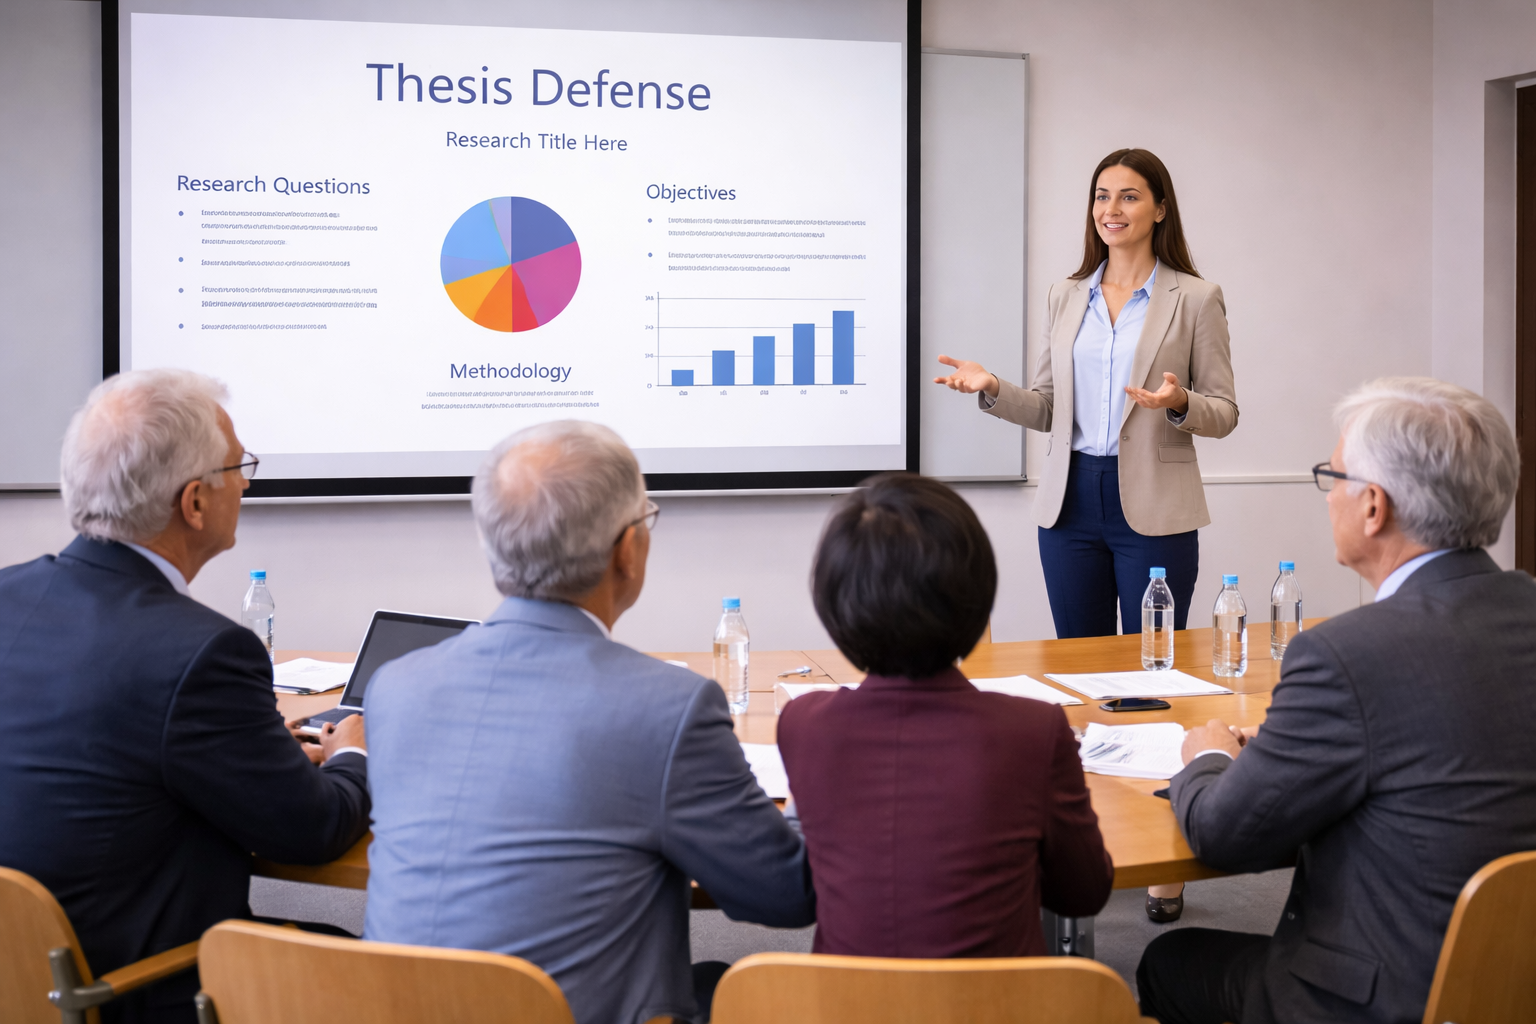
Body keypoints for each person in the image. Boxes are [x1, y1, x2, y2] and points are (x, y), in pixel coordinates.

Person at [362, 420, 815, 1024]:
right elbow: (786, 892)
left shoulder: (395, 688)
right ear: (628, 550)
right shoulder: (668, 708)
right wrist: (821, 767)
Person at [1136, 377, 1536, 1024]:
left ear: (1373, 507)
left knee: (1166, 962)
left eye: (1334, 477)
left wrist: (1205, 757)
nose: (1331, 498)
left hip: (1387, 1000)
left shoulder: (1346, 654)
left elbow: (1223, 834)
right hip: (1514, 983)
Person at [0, 369, 371, 1024]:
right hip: (139, 990)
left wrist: (253, 754)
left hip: (21, 979)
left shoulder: (8, 595)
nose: (248, 483)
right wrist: (351, 757)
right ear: (195, 502)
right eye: (239, 467)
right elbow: (312, 831)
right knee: (373, 964)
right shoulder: (204, 653)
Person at [933, 147, 1239, 921]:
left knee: (1152, 684)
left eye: (1129, 197)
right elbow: (1046, 406)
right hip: (1071, 504)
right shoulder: (1065, 295)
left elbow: (1224, 411)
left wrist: (1177, 402)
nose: (1112, 209)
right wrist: (992, 390)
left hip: (1154, 510)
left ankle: (1169, 856)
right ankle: (1089, 843)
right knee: (1084, 683)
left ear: (1159, 209)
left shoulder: (1194, 299)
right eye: (1102, 196)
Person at [777, 473, 1112, 957]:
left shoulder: (804, 724)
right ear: (977, 595)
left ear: (833, 602)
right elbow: (1085, 892)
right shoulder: (1033, 731)